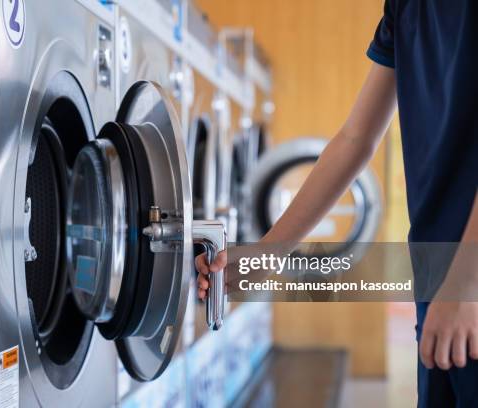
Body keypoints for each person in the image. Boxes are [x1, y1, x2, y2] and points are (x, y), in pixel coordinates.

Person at [196, 1, 478, 406]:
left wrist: (467, 283)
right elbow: (355, 140)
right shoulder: (405, 8)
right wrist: (267, 253)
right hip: (438, 275)